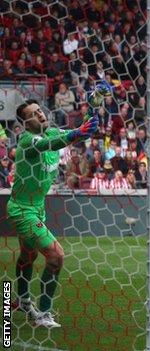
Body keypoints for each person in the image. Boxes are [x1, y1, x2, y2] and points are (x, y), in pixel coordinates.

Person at [9, 87, 104, 328]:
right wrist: (76, 133)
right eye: (32, 114)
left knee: (28, 255)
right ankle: (43, 313)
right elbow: (51, 144)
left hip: (37, 207)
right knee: (55, 256)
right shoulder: (27, 141)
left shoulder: (51, 131)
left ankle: (19, 298)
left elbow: (78, 135)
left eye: (39, 110)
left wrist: (93, 109)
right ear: (24, 124)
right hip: (22, 209)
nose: (39, 115)